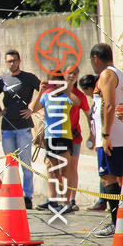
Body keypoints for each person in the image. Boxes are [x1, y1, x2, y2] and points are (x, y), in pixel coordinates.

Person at [0, 49, 40, 209]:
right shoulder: (3, 79)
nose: (12, 63)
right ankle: (12, 193)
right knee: (10, 163)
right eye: (9, 61)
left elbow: (44, 89)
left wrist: (32, 108)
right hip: (6, 127)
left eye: (14, 60)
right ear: (6, 63)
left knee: (26, 164)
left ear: (19, 61)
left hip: (23, 128)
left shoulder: (28, 78)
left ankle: (27, 197)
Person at [31, 73, 80, 214]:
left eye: (58, 82)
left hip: (64, 137)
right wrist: (40, 90)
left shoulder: (66, 97)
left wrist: (67, 88)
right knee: (53, 170)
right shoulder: (46, 96)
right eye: (53, 82)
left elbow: (77, 102)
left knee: (66, 170)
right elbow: (33, 108)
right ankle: (55, 201)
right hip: (50, 137)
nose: (55, 85)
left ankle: (66, 203)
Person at [90, 43, 123, 237]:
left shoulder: (107, 74)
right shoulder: (118, 73)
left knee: (108, 177)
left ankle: (114, 223)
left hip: (113, 137)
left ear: (96, 58)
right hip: (115, 135)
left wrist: (105, 135)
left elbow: (109, 104)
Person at [63, 67, 91, 212]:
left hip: (74, 136)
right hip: (59, 136)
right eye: (69, 73)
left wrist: (92, 134)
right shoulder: (57, 92)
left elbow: (88, 115)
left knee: (72, 167)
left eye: (75, 73)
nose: (72, 76)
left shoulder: (79, 95)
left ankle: (71, 199)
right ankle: (61, 199)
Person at [79, 73, 105, 211]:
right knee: (103, 172)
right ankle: (103, 200)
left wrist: (103, 138)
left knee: (105, 173)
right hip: (100, 140)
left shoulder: (102, 97)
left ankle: (103, 201)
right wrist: (93, 136)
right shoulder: (97, 98)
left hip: (106, 141)